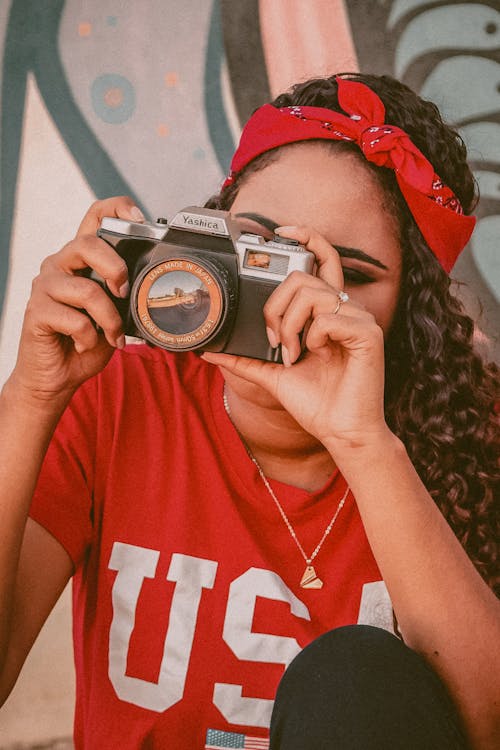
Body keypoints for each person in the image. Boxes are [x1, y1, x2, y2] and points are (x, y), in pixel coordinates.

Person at [0, 72, 498, 750]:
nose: (289, 297)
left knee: (352, 679)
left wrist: (362, 443)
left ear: (409, 315)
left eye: (345, 276)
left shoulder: (469, 435)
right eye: (258, 248)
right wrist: (31, 396)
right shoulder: (120, 395)